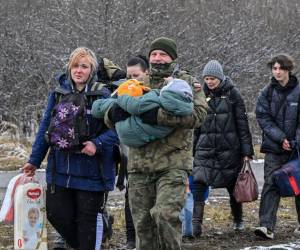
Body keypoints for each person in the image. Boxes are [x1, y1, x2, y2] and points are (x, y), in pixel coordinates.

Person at [105, 37, 208, 250]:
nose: (158, 58)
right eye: (154, 54)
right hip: (139, 166)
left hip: (172, 165)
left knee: (164, 215)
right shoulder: (138, 82)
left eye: (163, 54)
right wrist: (113, 113)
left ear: (173, 57)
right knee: (143, 225)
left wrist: (158, 116)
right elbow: (109, 112)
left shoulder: (186, 83)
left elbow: (198, 116)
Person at [22, 47, 119, 250]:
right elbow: (45, 128)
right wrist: (34, 161)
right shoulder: (58, 94)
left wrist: (97, 143)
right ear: (69, 68)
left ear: (91, 69)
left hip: (93, 171)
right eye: (75, 66)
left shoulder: (103, 94)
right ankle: (97, 237)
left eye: (84, 66)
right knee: (57, 214)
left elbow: (119, 129)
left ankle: (93, 239)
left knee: (86, 223)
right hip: (60, 169)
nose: (79, 70)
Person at [192, 60, 254, 237]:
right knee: (198, 184)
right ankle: (196, 226)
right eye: (207, 78)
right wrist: (193, 151)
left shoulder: (233, 94)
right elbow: (196, 126)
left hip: (229, 150)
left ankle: (238, 220)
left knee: (233, 187)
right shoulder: (200, 95)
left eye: (212, 78)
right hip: (205, 149)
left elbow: (242, 125)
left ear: (220, 77)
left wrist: (246, 151)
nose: (209, 82)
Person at [255, 54, 300, 239]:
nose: (277, 72)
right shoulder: (266, 92)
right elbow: (263, 118)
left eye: (280, 68)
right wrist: (281, 138)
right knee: (271, 183)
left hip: (297, 148)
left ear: (288, 69)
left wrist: (295, 140)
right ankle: (266, 226)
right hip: (274, 147)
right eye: (274, 68)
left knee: (299, 184)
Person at [117, 55, 149, 250]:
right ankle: (131, 239)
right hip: (130, 156)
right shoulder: (123, 93)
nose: (132, 80)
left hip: (153, 156)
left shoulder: (153, 93)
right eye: (129, 76)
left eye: (136, 75)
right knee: (131, 198)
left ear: (146, 73)